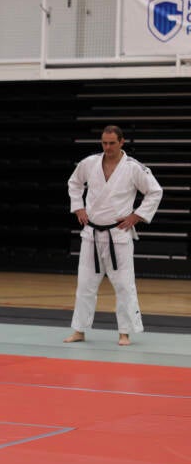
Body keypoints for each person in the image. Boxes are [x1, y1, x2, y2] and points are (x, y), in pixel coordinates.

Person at [64, 125, 163, 347]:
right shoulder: (89, 163)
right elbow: (74, 183)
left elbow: (155, 191)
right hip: (91, 234)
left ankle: (124, 333)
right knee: (85, 284)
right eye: (104, 143)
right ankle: (79, 330)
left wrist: (137, 216)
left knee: (124, 286)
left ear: (121, 142)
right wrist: (78, 207)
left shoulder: (133, 167)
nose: (107, 147)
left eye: (111, 143)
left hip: (118, 234)